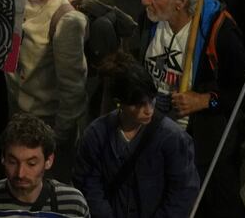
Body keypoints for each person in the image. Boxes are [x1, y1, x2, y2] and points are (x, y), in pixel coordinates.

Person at [139, 0, 245, 217]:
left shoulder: (218, 33)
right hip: (151, 131)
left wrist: (204, 100)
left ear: (181, 2)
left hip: (196, 147)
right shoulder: (152, 16)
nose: (145, 0)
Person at [73, 52, 199, 217]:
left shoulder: (172, 138)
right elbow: (88, 184)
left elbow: (182, 193)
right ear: (121, 103)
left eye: (151, 100)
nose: (148, 110)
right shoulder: (96, 135)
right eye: (139, 105)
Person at [7, 0, 87, 182]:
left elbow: (73, 86)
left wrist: (57, 136)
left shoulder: (64, 20)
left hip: (44, 123)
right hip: (15, 108)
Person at [0, 113, 90, 217]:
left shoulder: (73, 205)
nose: (20, 173)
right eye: (13, 162)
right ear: (3, 158)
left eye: (31, 164)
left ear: (49, 161)